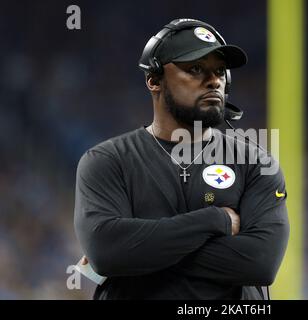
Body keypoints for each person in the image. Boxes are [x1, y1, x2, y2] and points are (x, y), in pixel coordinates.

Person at [74, 18, 289, 300]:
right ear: (154, 80)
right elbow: (106, 252)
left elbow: (261, 262)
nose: (214, 80)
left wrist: (140, 251)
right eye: (195, 69)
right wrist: (215, 220)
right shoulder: (106, 161)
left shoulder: (256, 163)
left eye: (220, 72)